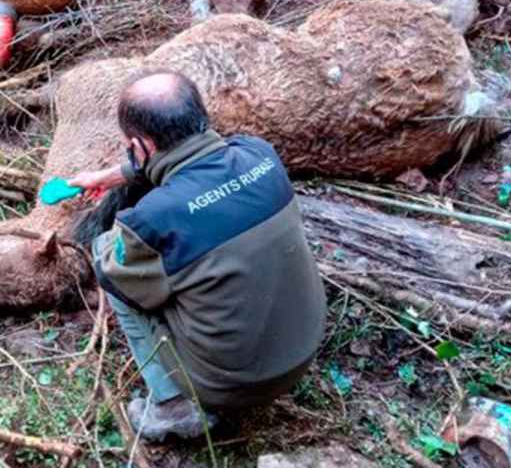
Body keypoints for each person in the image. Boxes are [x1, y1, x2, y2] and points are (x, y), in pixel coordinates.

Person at [68, 70, 327, 442]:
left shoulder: (153, 218)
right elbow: (185, 158)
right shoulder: (260, 155)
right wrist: (111, 176)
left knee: (106, 257)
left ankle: (173, 407)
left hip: (232, 385)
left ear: (140, 146)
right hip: (302, 353)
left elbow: (120, 272)